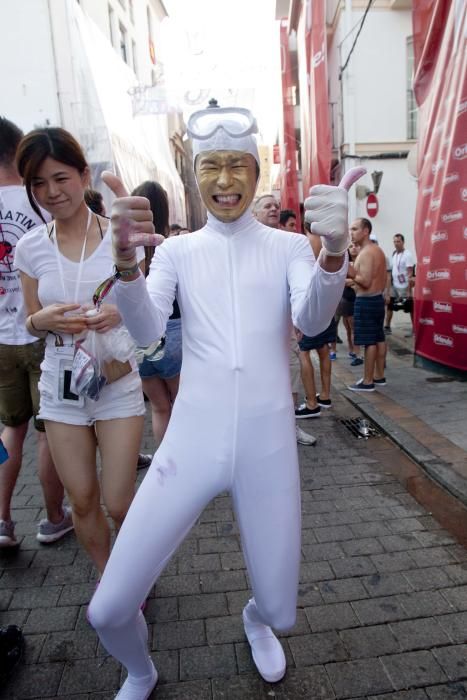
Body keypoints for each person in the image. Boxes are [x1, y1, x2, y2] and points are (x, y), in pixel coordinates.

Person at [88, 105, 361, 700]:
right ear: (195, 175)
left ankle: (255, 618)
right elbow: (143, 331)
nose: (225, 180)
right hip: (192, 442)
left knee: (282, 614)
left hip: (266, 443)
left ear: (257, 172)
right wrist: (127, 265)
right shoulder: (181, 253)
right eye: (211, 166)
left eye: (238, 165)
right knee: (107, 611)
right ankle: (140, 670)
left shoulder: (289, 246)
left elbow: (311, 317)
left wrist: (333, 251)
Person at [14, 127, 146, 577]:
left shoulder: (120, 236)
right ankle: (112, 581)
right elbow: (29, 320)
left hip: (115, 379)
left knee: (120, 502)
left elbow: (145, 310)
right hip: (61, 386)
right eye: (38, 183)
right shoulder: (30, 247)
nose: (51, 192)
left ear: (83, 174)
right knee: (83, 499)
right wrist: (43, 320)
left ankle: (134, 570)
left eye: (60, 178)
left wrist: (117, 313)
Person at [0, 116, 72, 548]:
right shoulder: (41, 200)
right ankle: (51, 517)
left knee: (11, 429)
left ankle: (3, 521)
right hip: (44, 333)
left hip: (1, 339)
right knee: (50, 432)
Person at [253, 194, 315, 446]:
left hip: (285, 327)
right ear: (254, 213)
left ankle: (290, 428)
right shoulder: (243, 244)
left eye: (276, 206)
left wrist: (299, 317)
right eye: (267, 205)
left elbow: (301, 286)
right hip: (252, 330)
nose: (273, 209)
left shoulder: (291, 243)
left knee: (290, 376)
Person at [132, 181, 182, 449]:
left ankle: (165, 466)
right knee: (183, 405)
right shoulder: (170, 246)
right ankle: (186, 466)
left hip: (139, 338)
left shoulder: (125, 248)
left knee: (160, 408)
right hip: (172, 331)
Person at [346, 217, 387, 391]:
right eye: (351, 229)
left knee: (369, 341)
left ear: (366, 231)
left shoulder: (367, 252)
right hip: (376, 299)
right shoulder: (376, 250)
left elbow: (366, 281)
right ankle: (379, 376)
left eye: (355, 229)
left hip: (367, 300)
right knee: (378, 338)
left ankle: (368, 381)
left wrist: (350, 272)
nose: (351, 233)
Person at [384, 233, 415, 336]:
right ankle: (387, 327)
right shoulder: (394, 254)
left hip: (405, 286)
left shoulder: (408, 254)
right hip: (394, 285)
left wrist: (409, 290)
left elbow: (410, 273)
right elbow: (393, 269)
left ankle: (415, 329)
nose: (396, 244)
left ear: (403, 242)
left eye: (398, 241)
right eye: (394, 241)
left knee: (410, 308)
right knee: (389, 306)